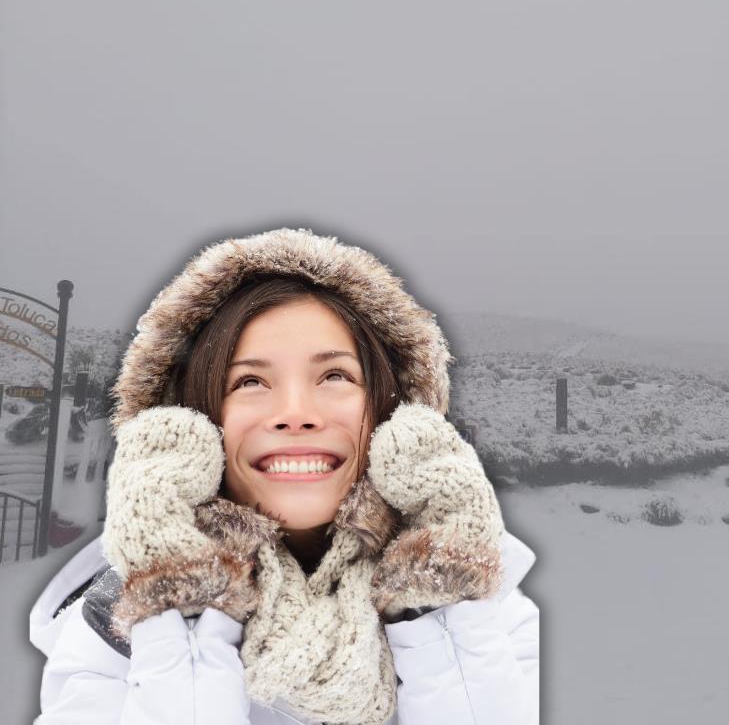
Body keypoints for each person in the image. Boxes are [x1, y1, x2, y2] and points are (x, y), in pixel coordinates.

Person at [28, 227, 540, 725]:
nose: (295, 413)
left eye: (335, 375)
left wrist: (437, 587)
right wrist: (179, 605)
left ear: (392, 413)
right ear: (188, 421)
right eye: (249, 381)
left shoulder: (490, 614)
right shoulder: (114, 631)